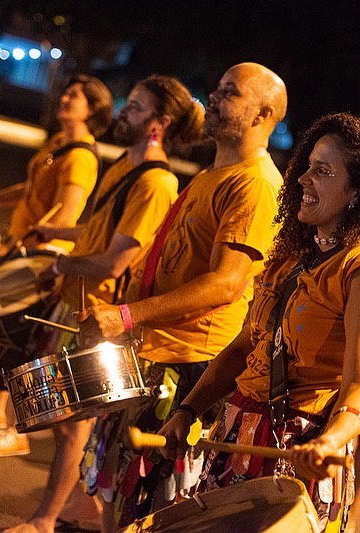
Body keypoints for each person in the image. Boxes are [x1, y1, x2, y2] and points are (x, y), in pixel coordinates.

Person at [157, 112, 360, 530]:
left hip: (303, 451)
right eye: (307, 167)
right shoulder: (291, 257)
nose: (301, 179)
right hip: (236, 435)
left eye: (322, 172)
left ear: (357, 191)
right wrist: (188, 410)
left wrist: (331, 441)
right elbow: (245, 347)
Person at [76, 62, 287, 530]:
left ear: (263, 115)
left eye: (230, 93)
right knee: (119, 496)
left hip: (189, 366)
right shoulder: (215, 173)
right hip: (154, 352)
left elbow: (226, 283)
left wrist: (128, 315)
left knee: (150, 508)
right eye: (217, 88)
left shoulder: (254, 184)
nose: (214, 98)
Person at [2, 75, 205, 533]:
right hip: (80, 305)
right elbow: (101, 231)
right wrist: (55, 235)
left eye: (135, 107)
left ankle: (43, 521)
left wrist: (58, 264)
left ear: (158, 125)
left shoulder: (157, 183)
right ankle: (83, 506)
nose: (123, 112)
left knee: (72, 427)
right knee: (70, 425)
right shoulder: (125, 165)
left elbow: (115, 262)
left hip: (103, 317)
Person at [0, 75, 113, 457]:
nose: (65, 98)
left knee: (26, 342)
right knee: (8, 334)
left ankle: (17, 432)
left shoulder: (81, 157)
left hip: (42, 258)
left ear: (93, 109)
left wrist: (16, 250)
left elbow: (64, 217)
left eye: (75, 96)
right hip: (23, 248)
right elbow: (30, 188)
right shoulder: (58, 143)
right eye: (66, 92)